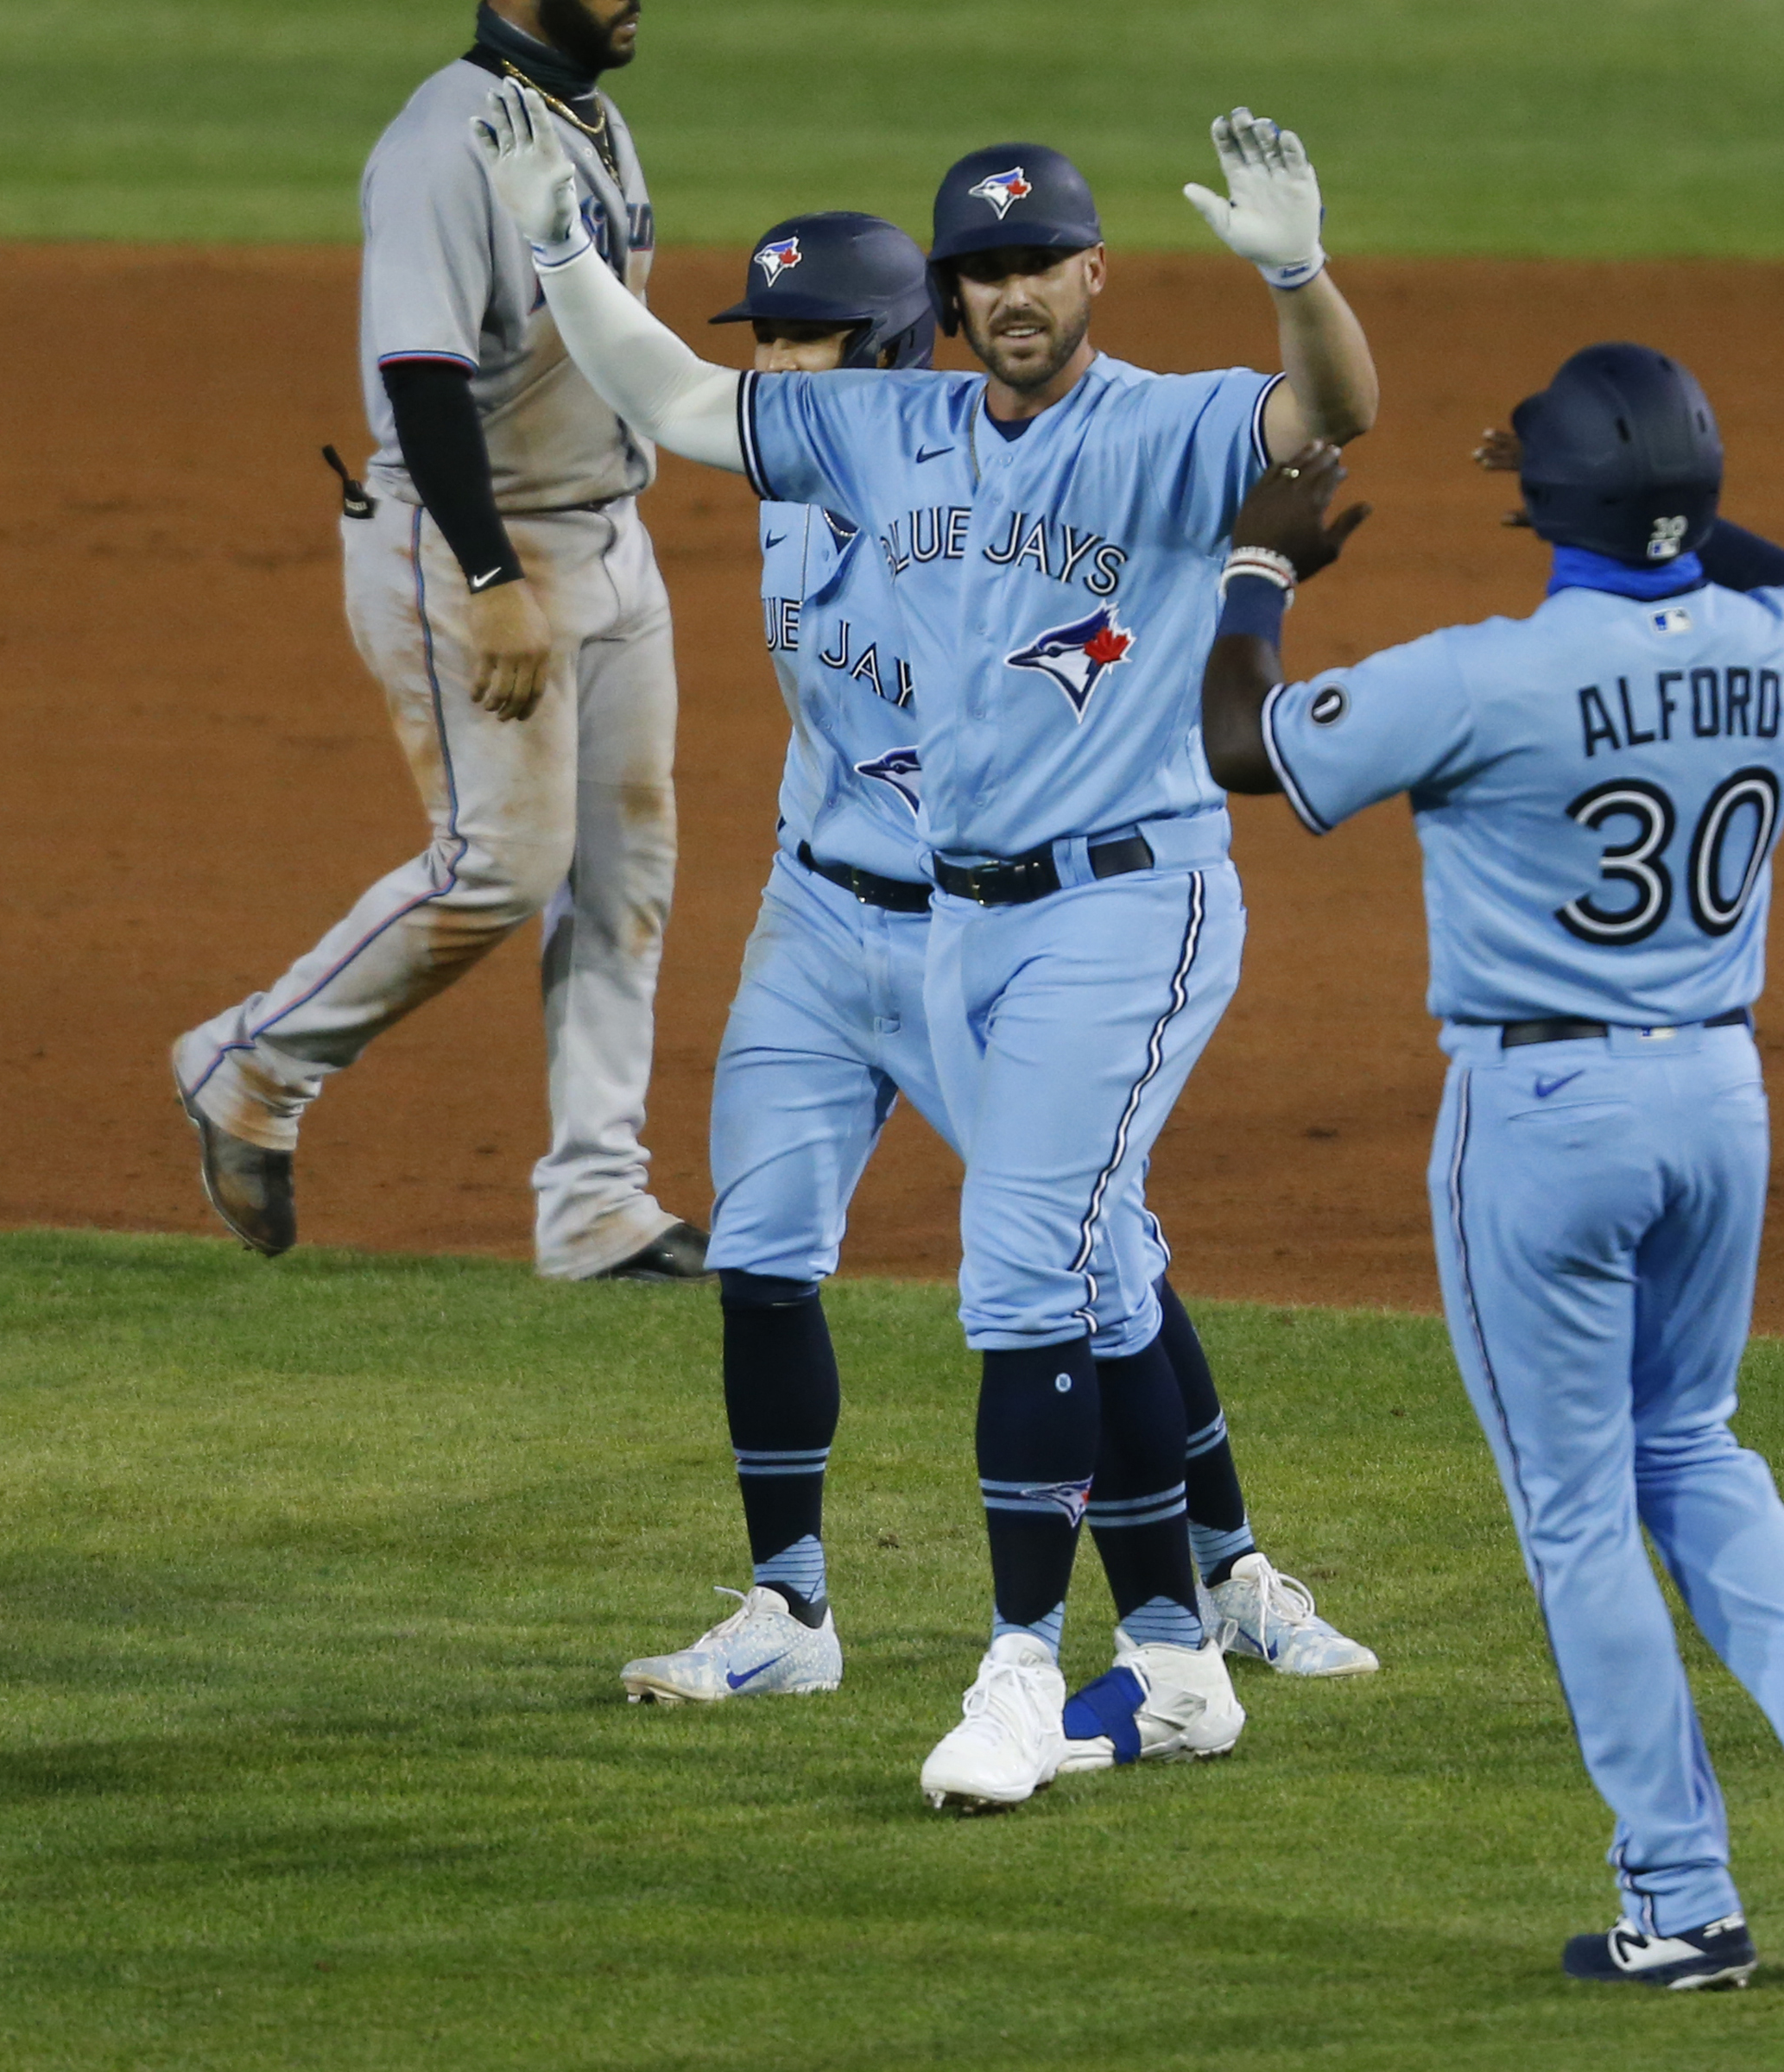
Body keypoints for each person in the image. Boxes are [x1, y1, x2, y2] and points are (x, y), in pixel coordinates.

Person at [466, 93, 1380, 1808]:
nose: (1014, 293)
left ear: (1094, 273)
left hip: (1120, 900)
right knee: (1043, 1262)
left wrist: (1300, 275)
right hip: (920, 916)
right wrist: (554, 248)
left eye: (1040, 263)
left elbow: (1327, 414)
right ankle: (1168, 1649)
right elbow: (671, 397)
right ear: (953, 303)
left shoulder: (1166, 427)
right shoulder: (882, 438)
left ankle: (1039, 1668)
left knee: (1044, 1266)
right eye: (988, 271)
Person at [1194, 347, 1784, 1984]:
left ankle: (1680, 1904)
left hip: (1545, 1119)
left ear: (1544, 508)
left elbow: (1241, 742)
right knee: (1692, 1444)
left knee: (1579, 1513)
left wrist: (1260, 559)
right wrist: (1690, 534)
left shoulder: (1485, 675)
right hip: (1721, 1099)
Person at [169, 0, 705, 1284]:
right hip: (476, 544)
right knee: (504, 866)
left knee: (626, 875)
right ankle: (253, 1062)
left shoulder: (591, 109)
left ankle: (597, 1204)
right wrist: (490, 576)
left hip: (606, 538)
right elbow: (422, 373)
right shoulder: (441, 141)